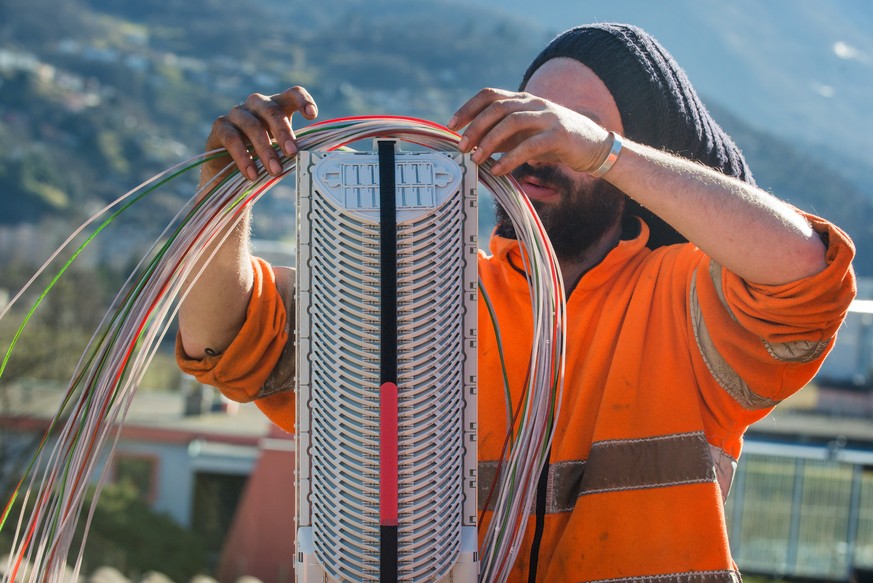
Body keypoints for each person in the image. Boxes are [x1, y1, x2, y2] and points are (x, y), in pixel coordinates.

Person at [176, 23, 856, 582]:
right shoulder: (428, 294)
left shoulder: (683, 298)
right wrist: (221, 194)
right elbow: (227, 338)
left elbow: (800, 266)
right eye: (527, 119)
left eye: (569, 128)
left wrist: (604, 152)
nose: (538, 148)